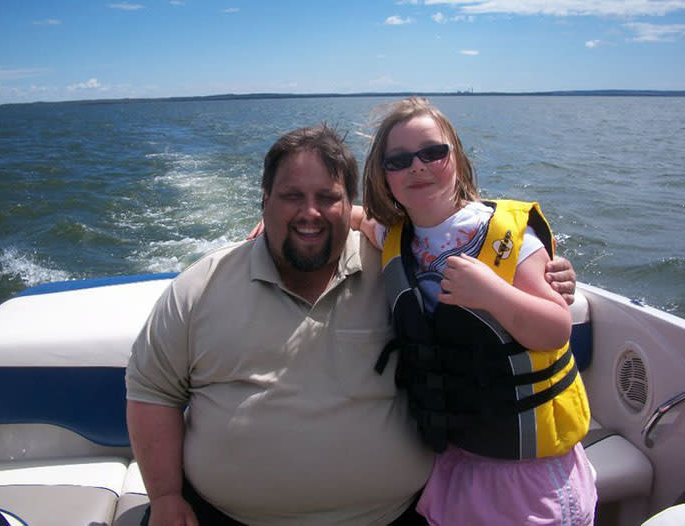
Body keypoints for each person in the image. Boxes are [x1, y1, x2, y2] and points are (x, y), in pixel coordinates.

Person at [126, 124, 578, 526]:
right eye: (291, 197)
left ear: (350, 206)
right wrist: (165, 497)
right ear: (264, 202)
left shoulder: (400, 267)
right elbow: (153, 392)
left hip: (399, 514)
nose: (311, 213)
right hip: (226, 517)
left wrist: (542, 272)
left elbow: (474, 253)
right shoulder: (199, 288)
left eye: (328, 198)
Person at [355, 97, 597, 525]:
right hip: (456, 460)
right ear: (382, 176)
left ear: (457, 158)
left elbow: (555, 329)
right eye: (399, 159)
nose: (418, 166)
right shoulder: (396, 238)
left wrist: (493, 294)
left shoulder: (507, 237)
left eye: (433, 152)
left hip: (529, 474)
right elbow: (362, 220)